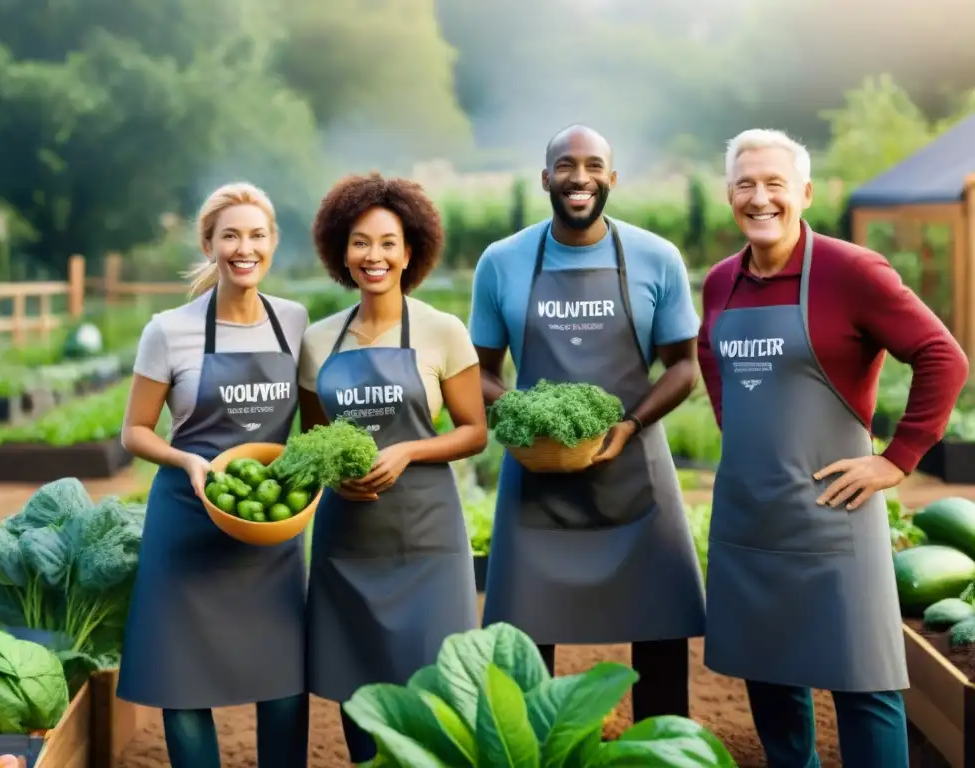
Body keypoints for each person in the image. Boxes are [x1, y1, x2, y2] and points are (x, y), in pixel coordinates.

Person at [698, 128, 970, 767]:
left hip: (836, 513)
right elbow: (713, 360)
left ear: (805, 193)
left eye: (775, 184)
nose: (759, 198)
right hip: (748, 514)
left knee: (865, 682)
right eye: (745, 184)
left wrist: (895, 459)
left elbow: (943, 357)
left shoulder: (852, 272)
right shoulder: (719, 283)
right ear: (729, 195)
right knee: (767, 674)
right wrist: (739, 433)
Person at [468, 124, 706, 719]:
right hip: (536, 484)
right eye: (566, 166)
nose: (581, 178)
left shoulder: (656, 257)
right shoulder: (502, 261)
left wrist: (628, 424)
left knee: (660, 636)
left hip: (636, 478)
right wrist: (525, 420)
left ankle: (662, 755)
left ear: (612, 178)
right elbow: (479, 373)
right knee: (524, 645)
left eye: (594, 165)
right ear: (545, 179)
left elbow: (684, 367)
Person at [117, 182, 310, 768]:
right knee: (184, 687)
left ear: (273, 242)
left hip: (268, 527)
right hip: (189, 519)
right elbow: (135, 432)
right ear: (209, 244)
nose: (243, 247)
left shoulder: (295, 322)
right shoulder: (168, 330)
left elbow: (315, 423)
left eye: (256, 234)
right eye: (230, 235)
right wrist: (186, 459)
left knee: (283, 683)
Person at [298, 172, 487, 763]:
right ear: (340, 251)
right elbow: (312, 440)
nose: (373, 256)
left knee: (434, 693)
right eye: (359, 242)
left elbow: (473, 431)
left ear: (411, 252)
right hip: (347, 543)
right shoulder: (318, 341)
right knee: (360, 693)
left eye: (387, 242)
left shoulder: (443, 332)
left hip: (427, 540)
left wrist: (406, 449)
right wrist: (334, 474)